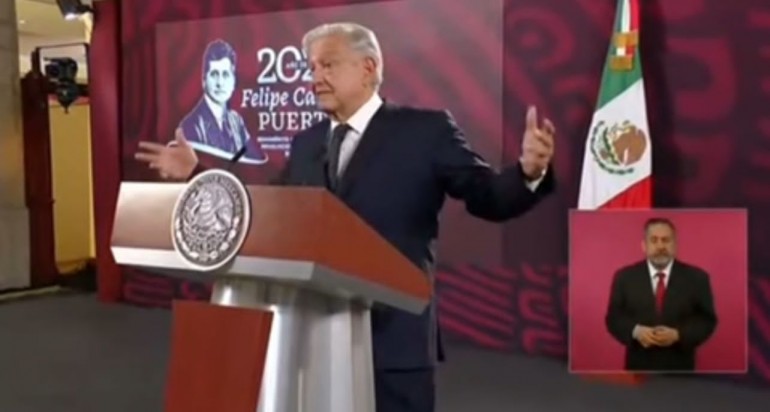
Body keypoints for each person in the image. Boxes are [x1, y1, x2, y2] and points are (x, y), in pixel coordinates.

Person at [135, 22, 556, 412]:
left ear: (368, 68)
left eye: (328, 65)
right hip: (312, 335)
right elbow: (269, 215)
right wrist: (197, 173)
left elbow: (488, 198)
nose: (315, 77)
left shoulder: (425, 132)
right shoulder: (306, 143)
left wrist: (528, 173)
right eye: (311, 67)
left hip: (393, 339)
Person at [605, 217, 718, 372]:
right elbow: (613, 318)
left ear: (675, 245)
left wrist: (679, 335)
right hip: (638, 368)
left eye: (666, 240)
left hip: (680, 369)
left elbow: (707, 320)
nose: (660, 246)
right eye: (654, 240)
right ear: (644, 246)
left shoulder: (697, 278)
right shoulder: (624, 277)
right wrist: (635, 331)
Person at [176, 39, 268, 165]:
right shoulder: (191, 126)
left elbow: (251, 158)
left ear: (234, 81)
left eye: (225, 75)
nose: (220, 83)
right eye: (214, 74)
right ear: (204, 80)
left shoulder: (236, 121)